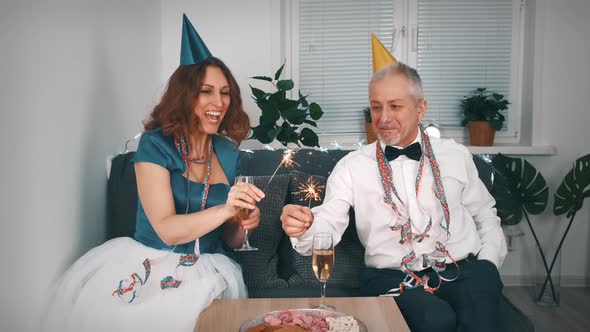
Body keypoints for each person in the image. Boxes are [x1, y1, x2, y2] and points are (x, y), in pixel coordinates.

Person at [42, 14, 263, 331]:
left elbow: (228, 237)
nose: (219, 102)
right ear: (185, 95)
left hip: (209, 270)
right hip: (149, 262)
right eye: (206, 91)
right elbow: (167, 230)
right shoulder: (155, 145)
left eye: (225, 92)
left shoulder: (228, 153)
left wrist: (243, 225)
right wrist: (228, 208)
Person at [280, 35, 507, 332]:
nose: (383, 118)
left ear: (421, 108)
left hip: (462, 269)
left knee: (480, 312)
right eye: (376, 107)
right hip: (392, 277)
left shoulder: (455, 155)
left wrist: (488, 263)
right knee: (435, 320)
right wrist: (306, 225)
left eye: (395, 106)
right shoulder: (351, 166)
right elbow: (328, 225)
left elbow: (485, 214)